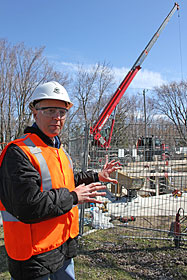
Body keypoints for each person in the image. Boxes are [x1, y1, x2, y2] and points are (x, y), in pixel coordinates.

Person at [0, 81, 121, 280]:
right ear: (34, 112)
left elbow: (65, 181)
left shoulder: (58, 150)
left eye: (62, 112)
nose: (57, 117)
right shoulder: (18, 152)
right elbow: (27, 206)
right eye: (49, 110)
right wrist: (73, 197)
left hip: (63, 249)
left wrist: (97, 176)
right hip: (34, 257)